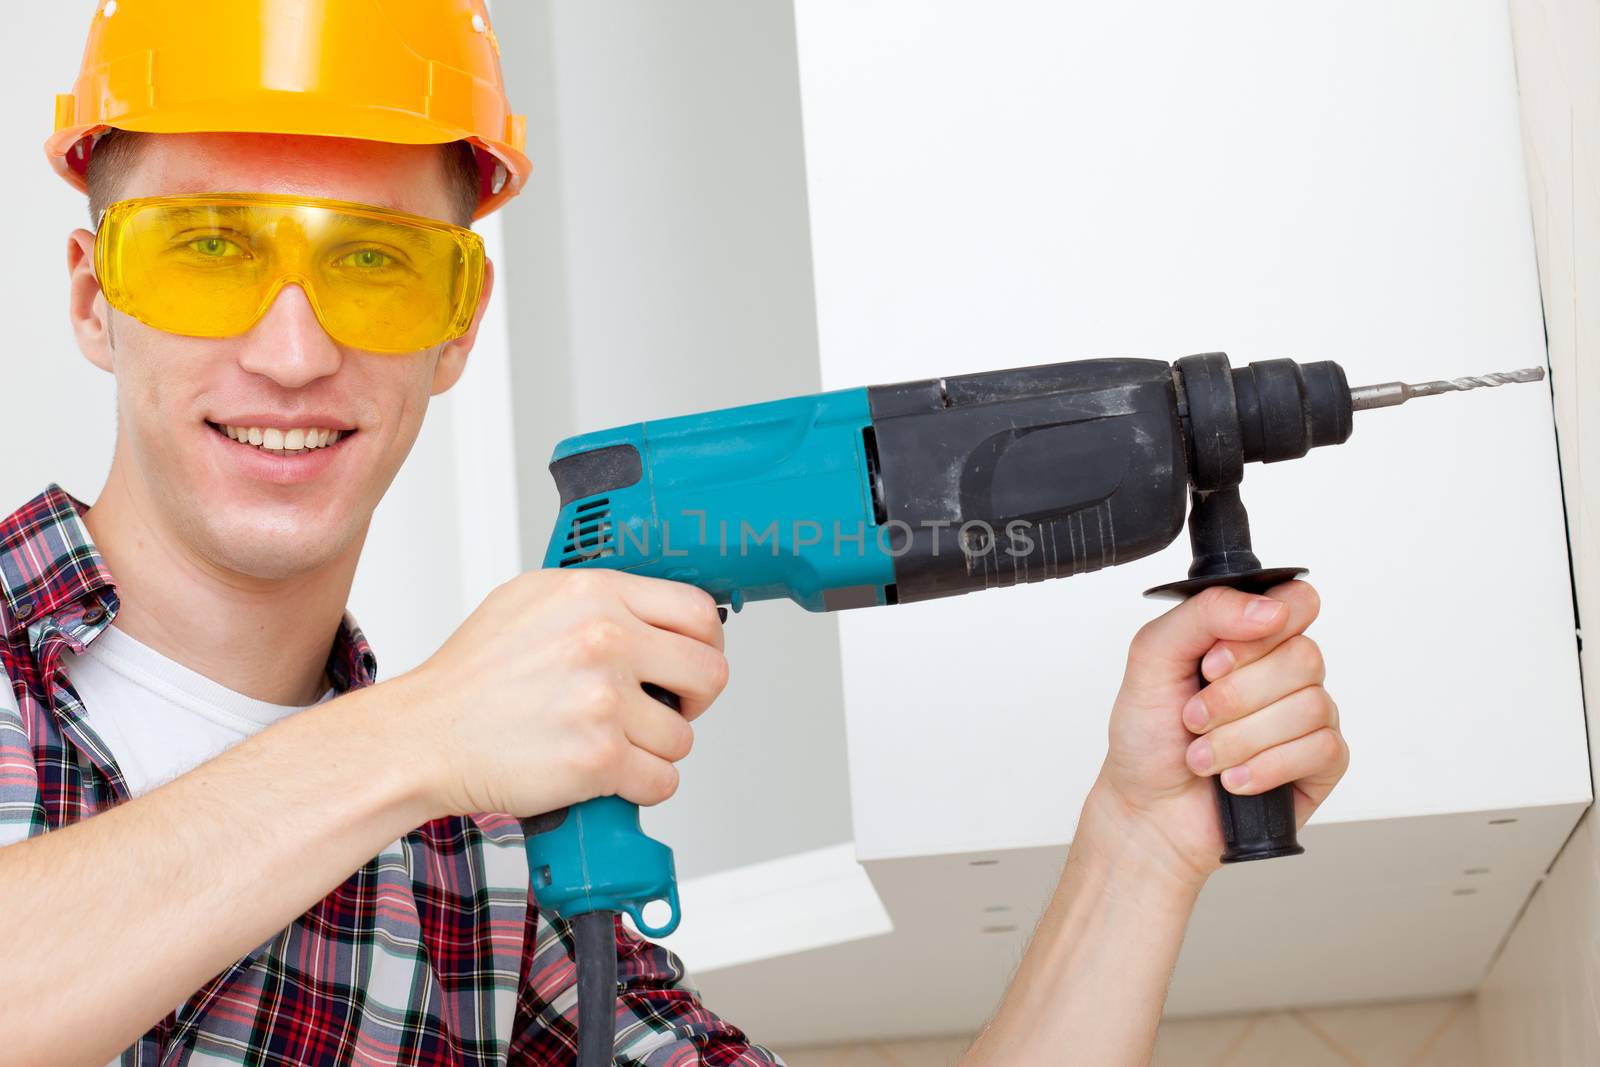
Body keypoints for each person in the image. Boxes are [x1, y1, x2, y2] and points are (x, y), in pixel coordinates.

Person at [0, 2, 1349, 1064]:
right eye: (205, 250)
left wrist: (1137, 847)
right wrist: (410, 738)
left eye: (375, 264)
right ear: (93, 297)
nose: (292, 352)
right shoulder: (439, 768)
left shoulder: (497, 872)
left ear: (459, 324)